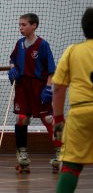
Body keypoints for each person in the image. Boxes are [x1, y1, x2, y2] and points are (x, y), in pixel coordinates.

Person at [41, 7, 93, 193]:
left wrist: (59, 119)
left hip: (81, 112)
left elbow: (59, 88)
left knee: (71, 165)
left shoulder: (73, 51)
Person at [8, 13, 57, 173]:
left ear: (34, 25)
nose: (21, 28)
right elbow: (12, 60)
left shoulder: (43, 45)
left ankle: (62, 153)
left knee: (48, 118)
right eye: (19, 25)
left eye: (24, 24)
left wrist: (48, 88)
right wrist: (13, 69)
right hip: (22, 87)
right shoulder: (19, 44)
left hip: (38, 87)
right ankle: (22, 155)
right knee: (22, 118)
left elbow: (51, 71)